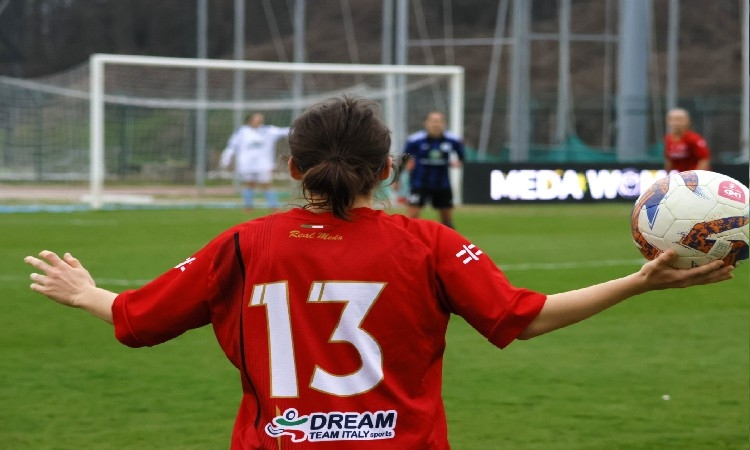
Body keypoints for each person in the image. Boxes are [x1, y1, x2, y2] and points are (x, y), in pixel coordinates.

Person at [24, 96, 734, 450]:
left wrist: (88, 294)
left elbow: (139, 321)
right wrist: (638, 282)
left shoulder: (243, 244)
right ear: (389, 168)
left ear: (292, 167)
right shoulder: (428, 244)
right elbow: (523, 317)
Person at [403, 111, 464, 229]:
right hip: (419, 183)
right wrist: (398, 178)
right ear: (426, 123)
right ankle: (410, 238)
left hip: (442, 183)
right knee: (412, 215)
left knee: (446, 218)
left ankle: (448, 239)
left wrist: (458, 161)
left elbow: (461, 156)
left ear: (444, 124)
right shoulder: (415, 140)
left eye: (439, 121)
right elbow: (405, 158)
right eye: (432, 121)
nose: (436, 124)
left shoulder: (453, 140)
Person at [220, 112, 289, 211]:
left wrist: (302, 128)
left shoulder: (268, 130)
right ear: (250, 120)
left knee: (266, 183)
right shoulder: (242, 132)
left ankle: (273, 205)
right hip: (246, 164)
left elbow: (285, 131)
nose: (259, 121)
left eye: (260, 119)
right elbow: (232, 146)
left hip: (263, 164)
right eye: (257, 119)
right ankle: (248, 206)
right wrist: (226, 157)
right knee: (249, 183)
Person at [663, 108, 712, 172]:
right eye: (671, 120)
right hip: (679, 176)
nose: (675, 123)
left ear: (687, 121)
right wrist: (667, 175)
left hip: (694, 175)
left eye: (679, 120)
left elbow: (704, 160)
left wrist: (695, 175)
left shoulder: (694, 139)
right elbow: (669, 160)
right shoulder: (668, 139)